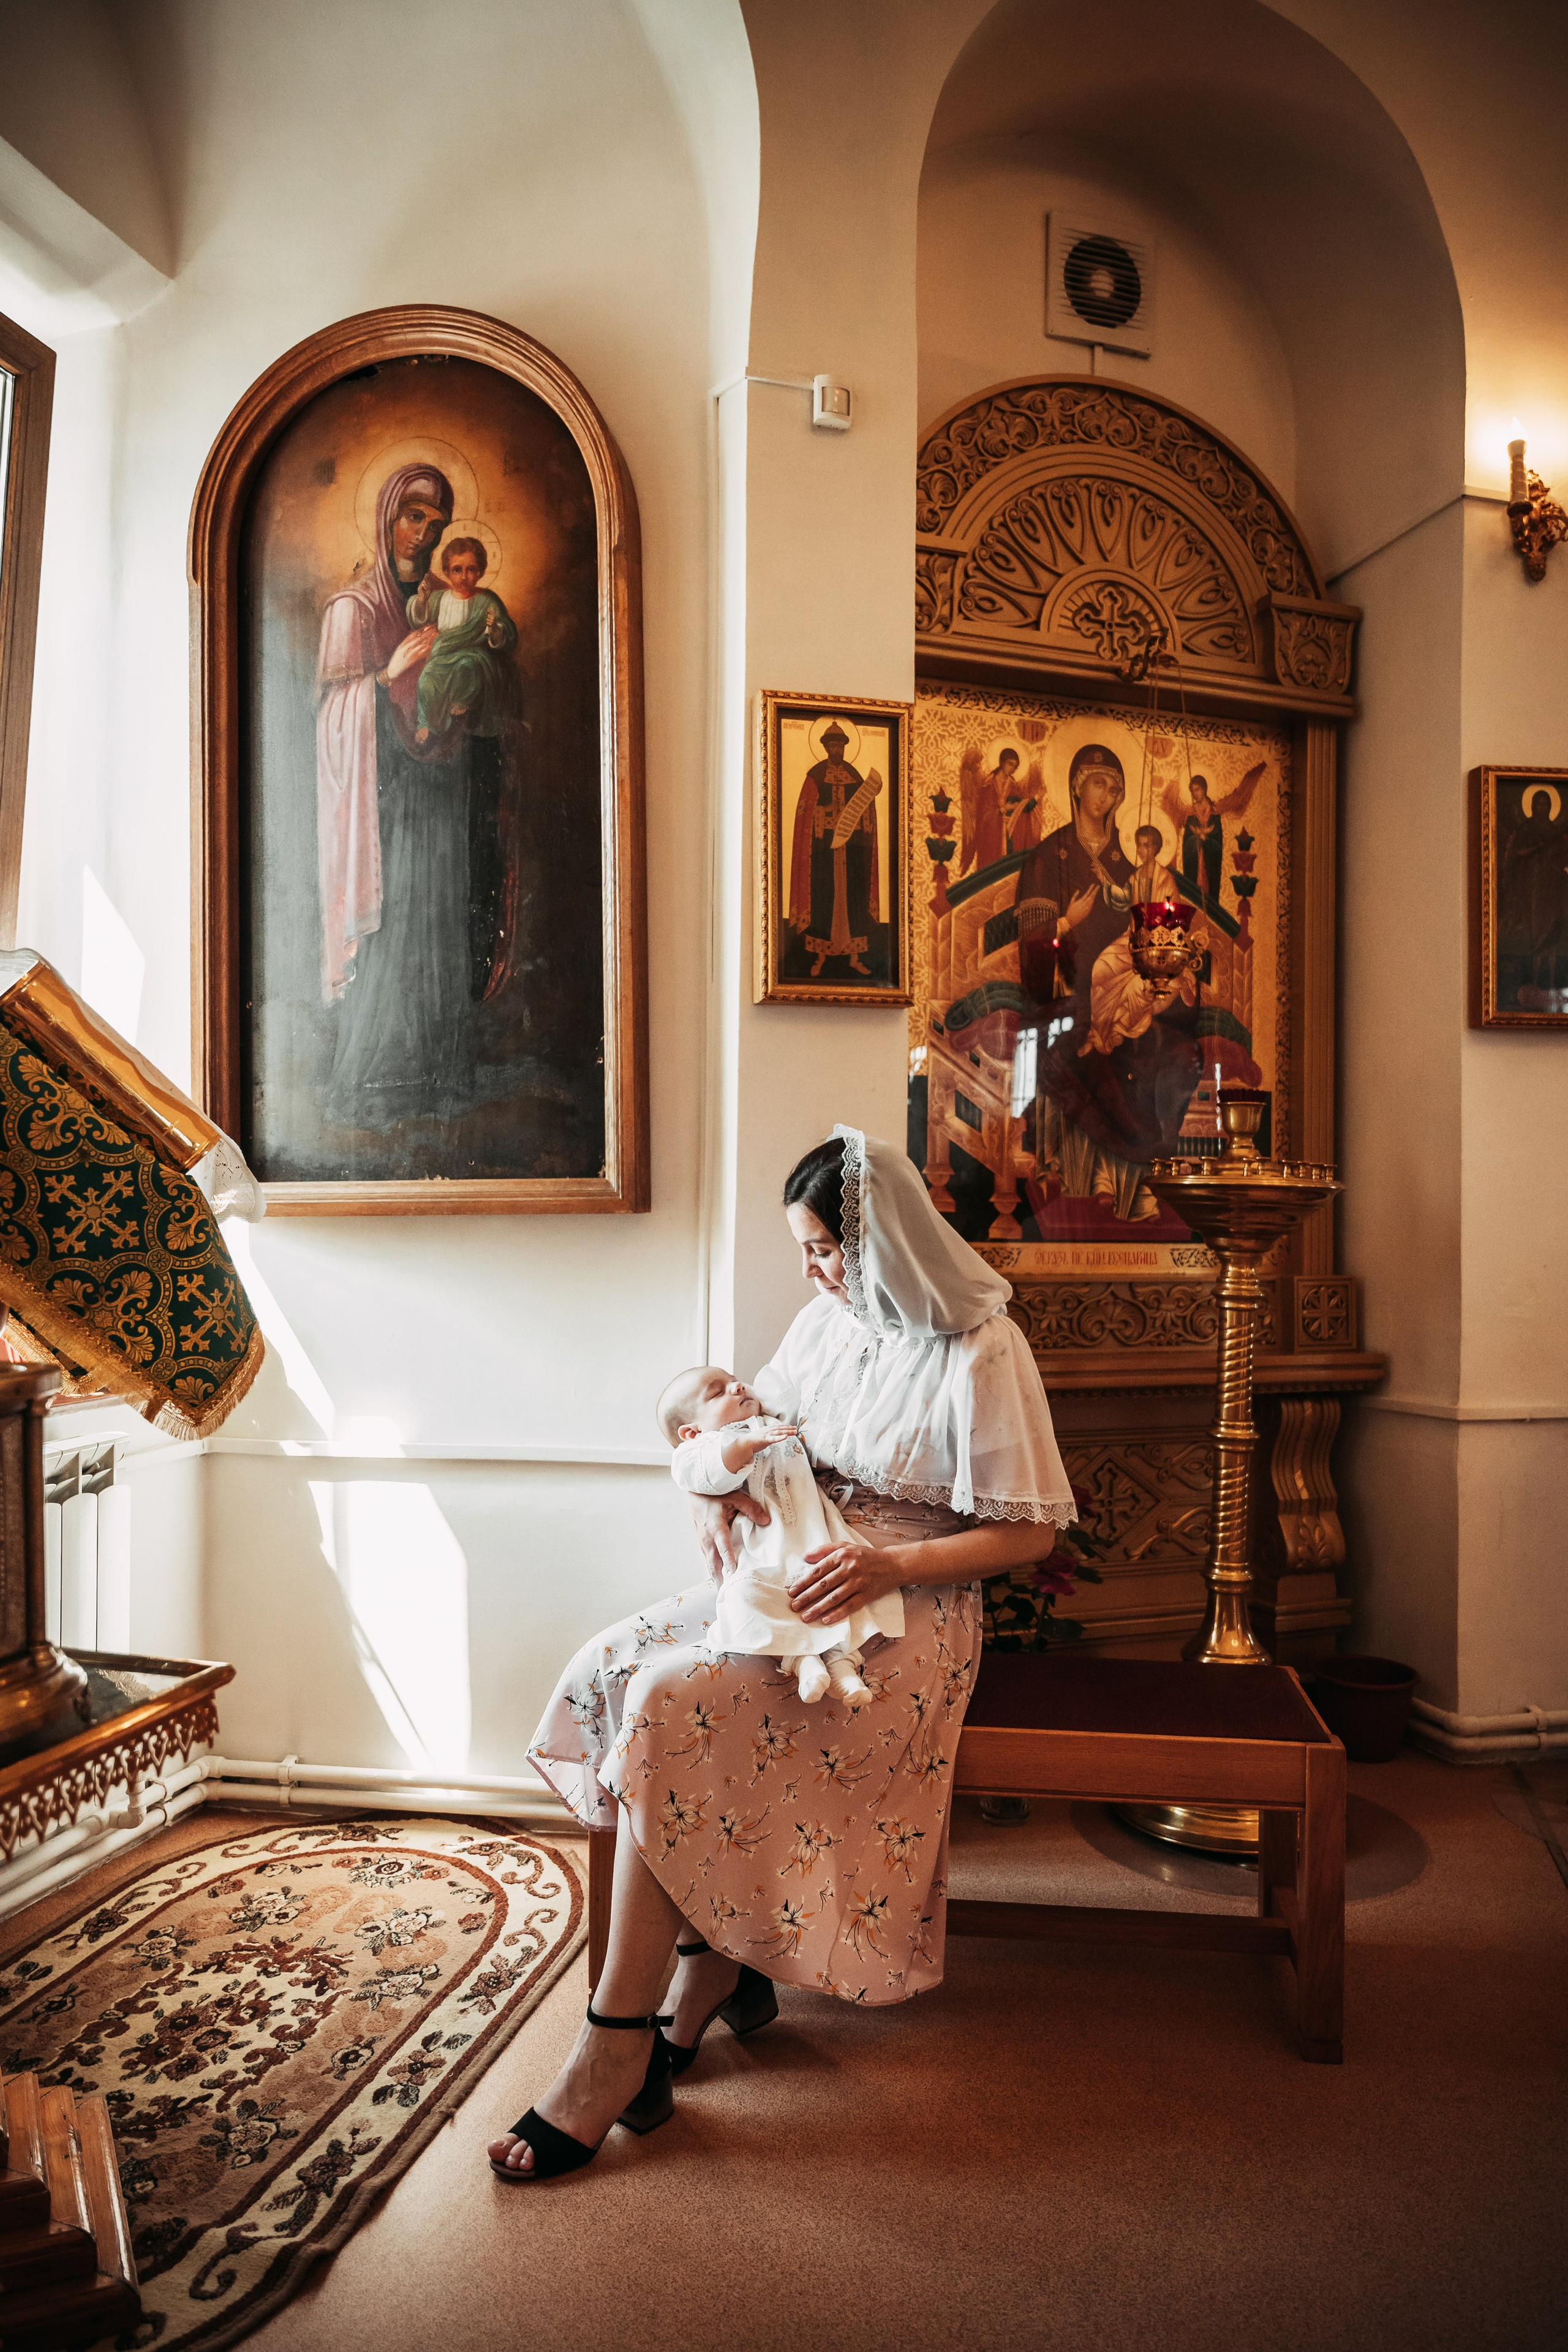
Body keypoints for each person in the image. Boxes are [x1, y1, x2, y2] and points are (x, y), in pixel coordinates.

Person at [499, 1126, 1074, 2181]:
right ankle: (709, 1969)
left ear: (886, 1240)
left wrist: (891, 1570)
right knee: (618, 1663)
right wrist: (713, 1509)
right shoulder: (820, 1328)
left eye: (823, 1248)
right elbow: (736, 1442)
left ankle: (614, 2043)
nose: (809, 1271)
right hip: (786, 1573)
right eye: (804, 1250)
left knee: (676, 1702)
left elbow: (1031, 1536)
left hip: (904, 1609)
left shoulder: (984, 1346)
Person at [314, 466, 522, 1140]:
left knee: (438, 919)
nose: (424, 534)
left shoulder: (447, 599)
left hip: (441, 789)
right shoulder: (354, 609)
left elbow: (488, 671)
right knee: (393, 925)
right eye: (413, 517)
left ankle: (440, 1072)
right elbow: (331, 718)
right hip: (383, 802)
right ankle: (371, 1077)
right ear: (386, 519)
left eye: (435, 524)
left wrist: (473, 693)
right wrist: (390, 673)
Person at [660, 1362, 902, 1707]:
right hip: (761, 1541)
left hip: (811, 1528)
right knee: (754, 1594)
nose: (737, 1387)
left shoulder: (771, 1422)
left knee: (831, 1589)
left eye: (735, 1380)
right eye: (718, 1392)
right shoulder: (701, 1449)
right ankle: (800, 1662)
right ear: (692, 1432)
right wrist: (744, 1444)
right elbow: (702, 1476)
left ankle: (841, 1664)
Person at [788, 722, 883, 977]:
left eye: (840, 745)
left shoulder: (855, 776)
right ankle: (820, 956)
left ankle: (854, 957)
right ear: (826, 748)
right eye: (833, 745)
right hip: (822, 851)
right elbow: (805, 814)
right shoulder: (815, 775)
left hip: (852, 851)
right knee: (823, 896)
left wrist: (863, 813)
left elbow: (867, 813)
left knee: (854, 897)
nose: (837, 749)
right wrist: (822, 814)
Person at [407, 536, 518, 744]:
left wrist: (494, 629)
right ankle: (426, 723)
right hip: (442, 657)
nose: (464, 577)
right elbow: (418, 617)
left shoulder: (487, 601)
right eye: (457, 570)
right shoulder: (440, 599)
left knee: (468, 667)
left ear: (480, 572)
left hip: (473, 655)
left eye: (471, 570)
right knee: (426, 680)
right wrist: (421, 599)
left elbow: (508, 635)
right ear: (447, 572)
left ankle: (462, 702)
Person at [1180, 775, 1224, 904]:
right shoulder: (1191, 813)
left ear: (1204, 790)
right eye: (1192, 791)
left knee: (1209, 890)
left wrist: (1206, 838)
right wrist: (1196, 838)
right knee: (1195, 893)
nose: (1195, 794)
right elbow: (1187, 842)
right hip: (1195, 861)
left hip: (1210, 861)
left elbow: (1217, 840)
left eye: (1197, 790)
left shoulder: (1214, 812)